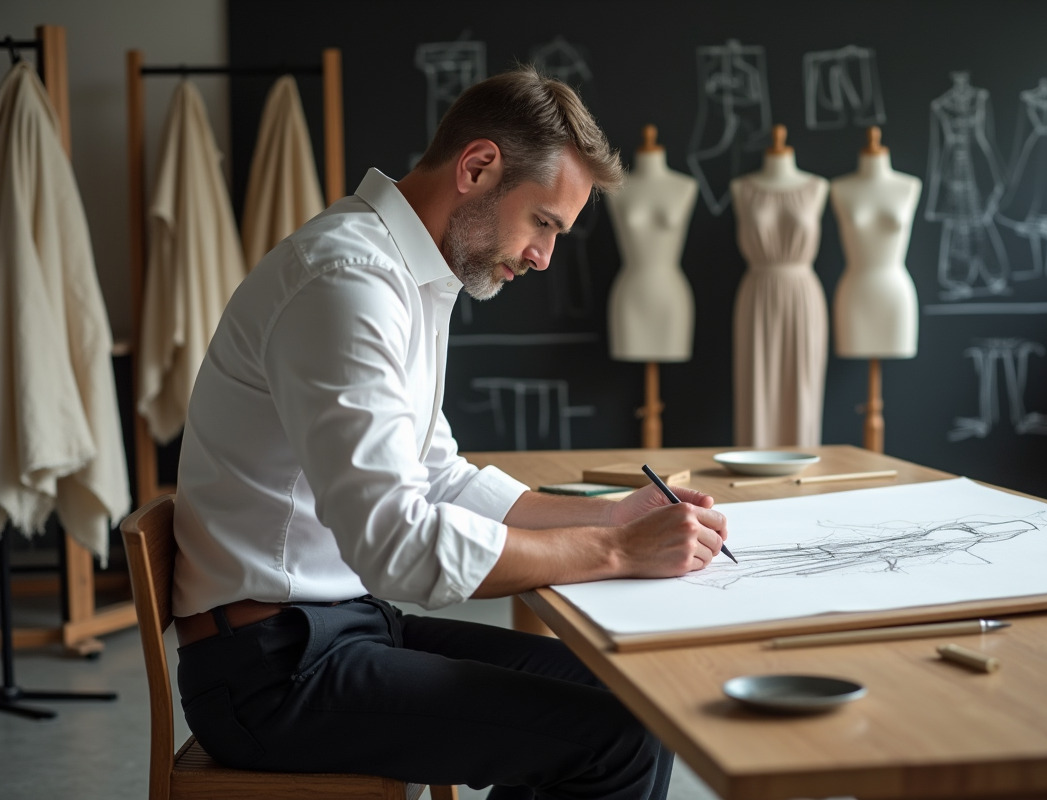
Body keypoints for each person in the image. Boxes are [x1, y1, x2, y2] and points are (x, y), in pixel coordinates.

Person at [169, 66, 728, 800]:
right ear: (478, 167)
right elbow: (397, 544)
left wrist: (614, 518)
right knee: (612, 741)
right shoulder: (347, 283)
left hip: (341, 626)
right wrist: (618, 552)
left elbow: (437, 476)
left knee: (638, 699)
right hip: (272, 673)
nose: (544, 256)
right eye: (543, 223)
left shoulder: (408, 276)